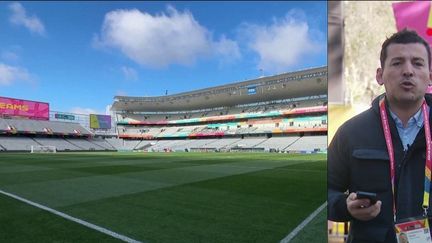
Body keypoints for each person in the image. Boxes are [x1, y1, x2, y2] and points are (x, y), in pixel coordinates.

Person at [328, 28, 432, 243]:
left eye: (418, 63)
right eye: (397, 63)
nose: (408, 71)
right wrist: (345, 207)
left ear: (430, 76)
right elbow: (327, 188)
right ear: (379, 75)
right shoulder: (351, 132)